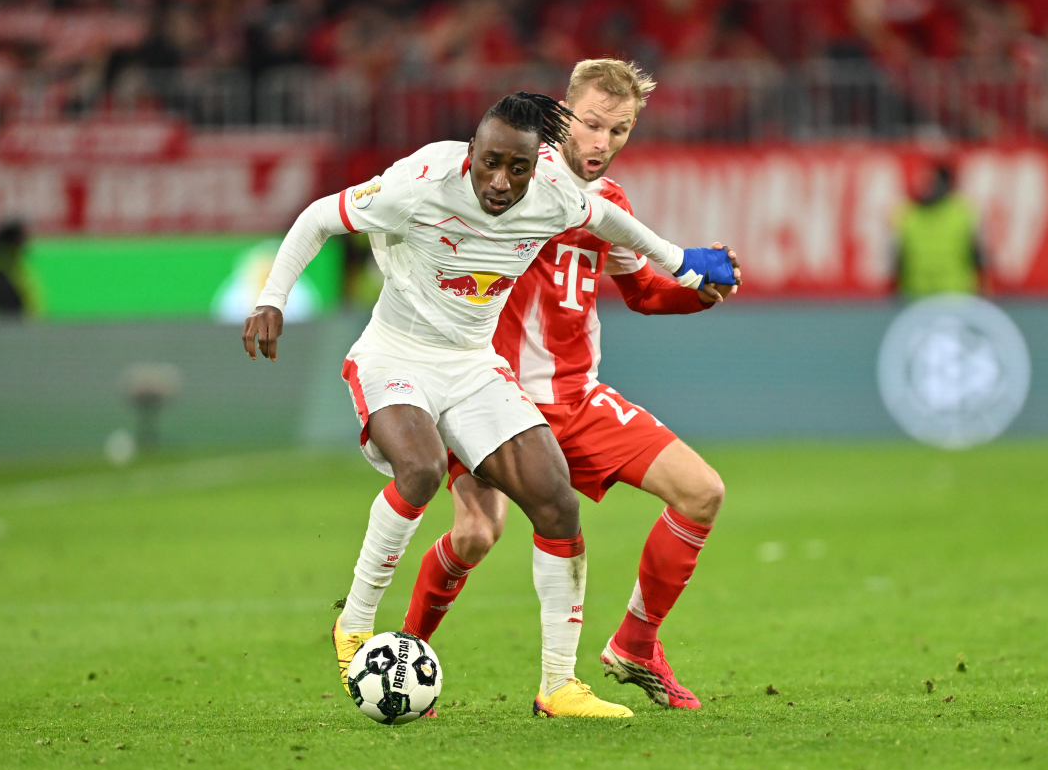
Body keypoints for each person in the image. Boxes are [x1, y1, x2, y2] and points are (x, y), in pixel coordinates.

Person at [242, 91, 738, 719]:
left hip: (474, 368)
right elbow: (318, 217)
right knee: (420, 471)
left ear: (537, 165)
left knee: (556, 503)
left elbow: (614, 224)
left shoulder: (556, 199)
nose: (501, 183)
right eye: (490, 164)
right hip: (396, 355)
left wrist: (686, 267)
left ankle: (558, 685)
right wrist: (272, 299)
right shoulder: (419, 184)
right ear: (470, 153)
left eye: (517, 169)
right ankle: (355, 626)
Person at [398, 59, 736, 714]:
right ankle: (407, 654)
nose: (601, 143)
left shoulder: (609, 205)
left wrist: (703, 295)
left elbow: (642, 292)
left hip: (575, 400)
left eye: (619, 130)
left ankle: (636, 645)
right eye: (590, 124)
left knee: (701, 493)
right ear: (561, 116)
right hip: (488, 398)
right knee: (474, 533)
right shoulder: (512, 181)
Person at [893, 159, 985, 297]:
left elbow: (977, 255)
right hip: (918, 296)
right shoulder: (907, 215)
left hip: (955, 295)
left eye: (930, 183)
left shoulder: (963, 213)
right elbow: (898, 258)